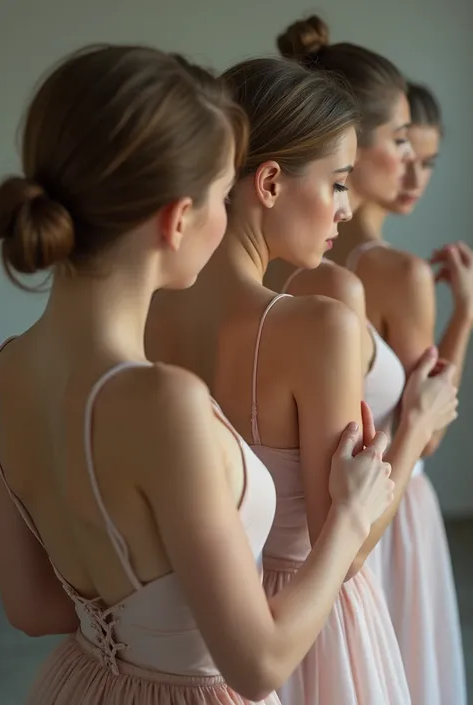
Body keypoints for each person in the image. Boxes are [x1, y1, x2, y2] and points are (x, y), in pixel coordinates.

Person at [0, 45, 398, 705]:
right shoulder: (164, 400)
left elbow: (34, 608)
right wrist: (352, 514)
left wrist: (136, 622)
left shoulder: (7, 368)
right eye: (221, 195)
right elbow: (259, 662)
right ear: (177, 218)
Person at [147, 56, 457, 705]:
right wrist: (419, 424)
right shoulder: (316, 326)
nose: (344, 208)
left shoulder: (154, 305)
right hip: (310, 627)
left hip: (200, 628)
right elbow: (341, 553)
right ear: (268, 182)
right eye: (338, 183)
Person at [276, 17, 468, 702]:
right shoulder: (386, 275)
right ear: (354, 142)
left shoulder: (279, 263)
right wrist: (466, 320)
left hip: (300, 531)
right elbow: (429, 428)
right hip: (375, 517)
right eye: (400, 143)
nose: (412, 166)